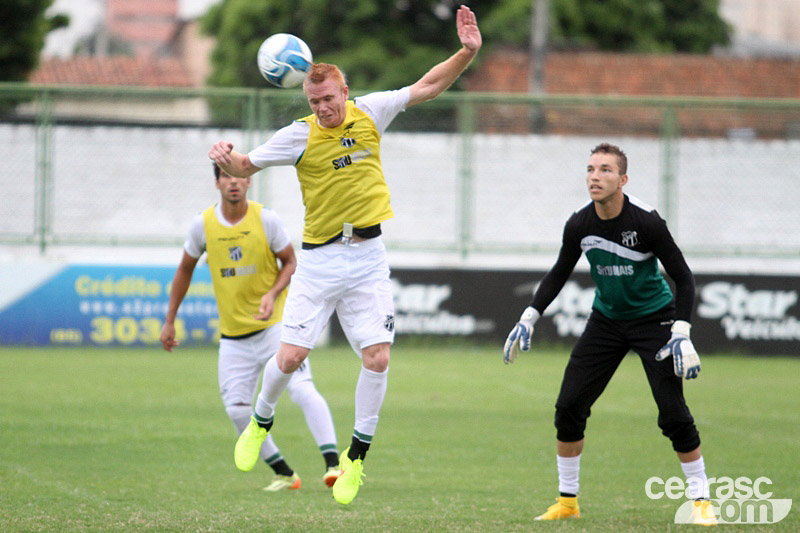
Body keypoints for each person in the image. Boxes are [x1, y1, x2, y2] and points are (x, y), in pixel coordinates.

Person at [207, 5, 481, 505]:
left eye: (329, 99)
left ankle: (354, 461)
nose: (323, 108)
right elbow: (245, 166)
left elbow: (429, 86)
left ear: (345, 93)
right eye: (314, 101)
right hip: (319, 260)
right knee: (290, 356)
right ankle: (259, 422)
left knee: (377, 358)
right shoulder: (297, 134)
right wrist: (227, 158)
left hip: (369, 257)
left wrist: (466, 51)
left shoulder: (373, 111)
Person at [503, 143, 716, 526]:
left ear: (623, 179)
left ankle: (701, 500)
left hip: (656, 321)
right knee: (568, 407)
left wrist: (681, 331)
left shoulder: (647, 221)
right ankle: (567, 502)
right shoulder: (580, 224)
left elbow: (684, 278)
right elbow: (558, 272)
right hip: (606, 322)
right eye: (589, 169)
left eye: (604, 170)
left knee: (672, 414)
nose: (594, 177)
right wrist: (529, 315)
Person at [160, 163, 340, 492]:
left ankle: (333, 464)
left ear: (249, 181)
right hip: (233, 338)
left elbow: (290, 261)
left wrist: (273, 294)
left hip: (275, 328)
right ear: (217, 182)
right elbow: (184, 269)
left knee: (301, 389)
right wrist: (170, 319)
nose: (233, 182)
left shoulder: (266, 219)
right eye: (226, 176)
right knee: (237, 409)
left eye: (239, 176)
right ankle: (285, 473)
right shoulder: (203, 225)